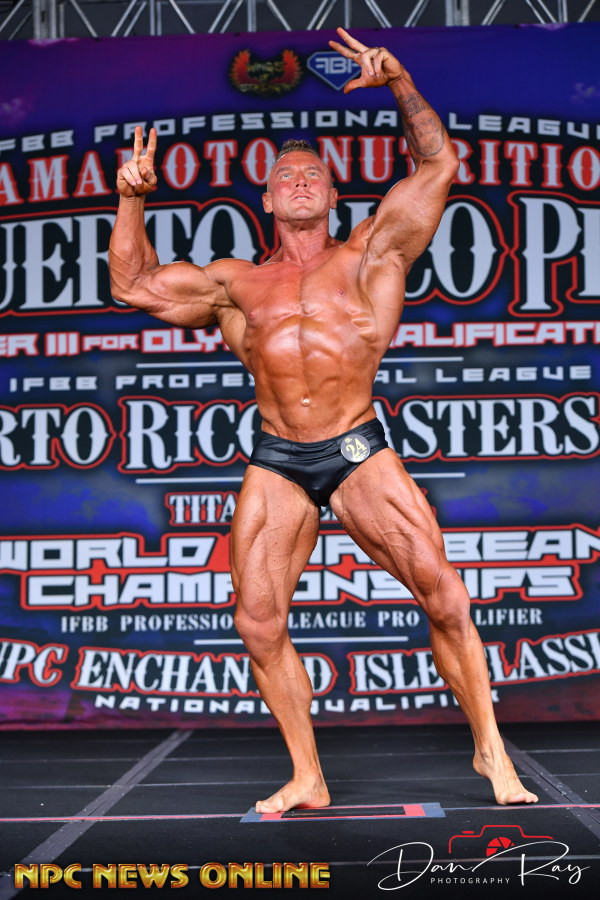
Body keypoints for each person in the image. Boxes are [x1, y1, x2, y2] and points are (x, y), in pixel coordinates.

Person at [109, 27, 538, 813]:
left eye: (315, 175)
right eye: (286, 177)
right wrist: (132, 198)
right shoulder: (235, 284)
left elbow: (438, 165)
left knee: (445, 596)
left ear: (336, 197)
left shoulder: (373, 254)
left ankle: (491, 751)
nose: (301, 182)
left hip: (357, 447)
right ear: (268, 201)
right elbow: (133, 285)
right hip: (278, 457)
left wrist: (401, 84)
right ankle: (308, 774)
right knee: (257, 620)